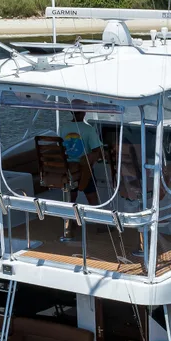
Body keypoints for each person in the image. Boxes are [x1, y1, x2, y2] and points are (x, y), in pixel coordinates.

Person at [58, 102, 103, 240]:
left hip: (66, 168)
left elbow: (60, 146)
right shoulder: (88, 129)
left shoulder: (63, 127)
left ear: (71, 112)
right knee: (92, 196)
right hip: (82, 168)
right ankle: (100, 223)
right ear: (84, 112)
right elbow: (97, 150)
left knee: (71, 196)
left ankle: (70, 222)